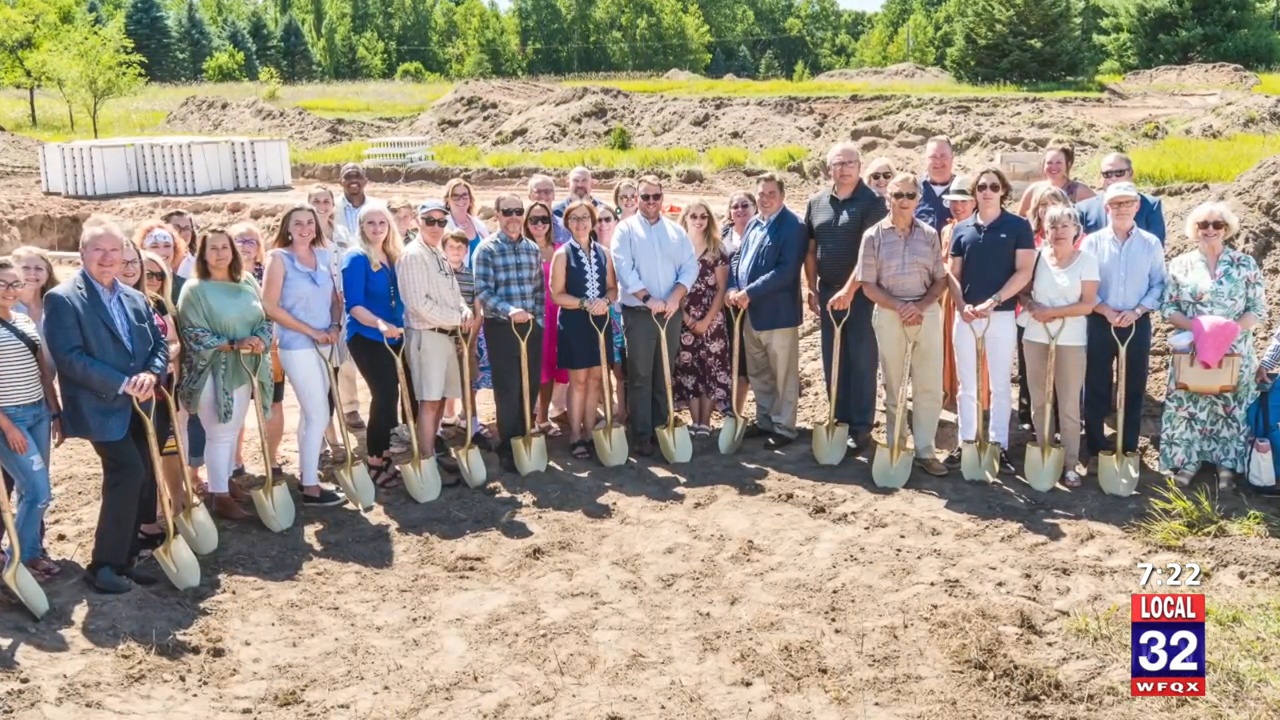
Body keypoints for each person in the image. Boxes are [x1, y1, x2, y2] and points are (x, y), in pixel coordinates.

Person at [45, 217, 170, 593]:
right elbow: (70, 357)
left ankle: (125, 559)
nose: (107, 257)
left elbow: (158, 345)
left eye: (114, 250)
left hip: (140, 405)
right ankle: (102, 566)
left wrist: (151, 373)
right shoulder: (63, 298)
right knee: (127, 473)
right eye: (98, 249)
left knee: (142, 476)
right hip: (100, 406)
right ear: (82, 253)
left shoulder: (134, 296)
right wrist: (122, 383)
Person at [1159, 202, 1265, 489]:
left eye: (1216, 225)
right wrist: (1201, 329)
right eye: (1203, 224)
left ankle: (1227, 465)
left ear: (1226, 229)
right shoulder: (1180, 264)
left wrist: (1227, 330)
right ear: (1194, 229)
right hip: (1193, 347)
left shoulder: (1245, 264)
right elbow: (1167, 307)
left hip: (1234, 349)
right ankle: (1187, 461)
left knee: (1230, 405)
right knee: (1190, 403)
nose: (1209, 230)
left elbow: (1257, 308)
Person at [851, 173, 949, 476]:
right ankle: (897, 443)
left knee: (929, 385)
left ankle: (925, 450)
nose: (904, 201)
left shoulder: (930, 234)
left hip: (927, 312)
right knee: (893, 385)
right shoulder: (873, 237)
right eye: (898, 195)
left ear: (918, 200)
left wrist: (919, 306)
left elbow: (941, 279)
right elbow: (867, 284)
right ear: (888, 199)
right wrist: (900, 306)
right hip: (890, 312)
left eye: (910, 195)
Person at [944, 167, 1036, 474]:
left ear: (1002, 191)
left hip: (1001, 316)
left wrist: (994, 300)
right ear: (974, 192)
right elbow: (952, 274)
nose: (986, 191)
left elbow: (1024, 271)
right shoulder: (962, 229)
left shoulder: (1018, 226)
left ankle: (999, 445)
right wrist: (962, 306)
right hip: (967, 318)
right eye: (981, 186)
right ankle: (966, 441)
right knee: (966, 385)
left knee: (999, 384)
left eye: (993, 186)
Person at [177, 228, 273, 520]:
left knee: (232, 429)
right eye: (213, 249)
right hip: (212, 370)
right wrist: (232, 344)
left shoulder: (245, 281)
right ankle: (219, 497)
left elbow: (264, 317)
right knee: (219, 432)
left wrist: (260, 340)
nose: (220, 253)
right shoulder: (195, 289)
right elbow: (193, 333)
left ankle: (226, 481)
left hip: (244, 367)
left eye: (224, 247)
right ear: (203, 255)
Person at [261, 205, 348, 508]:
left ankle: (306, 475)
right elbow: (271, 307)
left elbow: (336, 299)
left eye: (310, 223)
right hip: (296, 345)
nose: (305, 228)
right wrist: (311, 331)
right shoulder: (278, 259)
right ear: (287, 227)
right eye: (298, 223)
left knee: (310, 414)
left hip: (325, 342)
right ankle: (310, 487)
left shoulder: (324, 257)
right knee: (319, 413)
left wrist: (335, 324)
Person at [1079, 182, 1166, 476]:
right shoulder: (1092, 243)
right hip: (1100, 321)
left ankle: (1127, 448)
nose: (1121, 208)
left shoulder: (1150, 244)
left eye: (1127, 203)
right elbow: (1086, 282)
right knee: (1096, 385)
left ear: (1137, 206)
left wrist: (1137, 310)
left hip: (1136, 323)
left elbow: (1158, 284)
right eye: (1116, 204)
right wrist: (1104, 309)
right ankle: (1094, 449)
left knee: (1133, 386)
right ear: (1107, 207)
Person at [808, 142, 888, 453]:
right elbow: (811, 249)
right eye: (838, 164)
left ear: (859, 165)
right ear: (829, 168)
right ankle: (837, 419)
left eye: (850, 163)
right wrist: (811, 287)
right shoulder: (816, 203)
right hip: (828, 292)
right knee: (833, 359)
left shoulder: (872, 203)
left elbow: (870, 255)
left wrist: (849, 290)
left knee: (862, 360)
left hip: (862, 294)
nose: (844, 168)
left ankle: (861, 427)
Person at [610, 175, 698, 458]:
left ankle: (663, 427)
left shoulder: (675, 232)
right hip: (640, 313)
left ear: (662, 197)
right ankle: (641, 434)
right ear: (636, 198)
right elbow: (624, 269)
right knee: (640, 374)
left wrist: (674, 297)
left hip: (670, 312)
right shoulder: (625, 230)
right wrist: (648, 299)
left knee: (664, 373)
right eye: (644, 197)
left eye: (655, 197)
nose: (650, 202)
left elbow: (689, 266)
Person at [1017, 206, 1099, 488]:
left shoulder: (1086, 261)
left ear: (1076, 230)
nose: (1059, 232)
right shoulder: (1038, 257)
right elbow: (1022, 290)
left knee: (1068, 403)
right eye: (1053, 227)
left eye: (1065, 226)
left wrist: (1052, 313)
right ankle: (1044, 451)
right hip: (1035, 336)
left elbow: (1088, 304)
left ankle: (1070, 463)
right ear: (1046, 231)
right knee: (1040, 400)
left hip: (1070, 339)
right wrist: (1031, 306)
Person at [729, 173, 807, 448]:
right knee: (759, 371)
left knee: (783, 373)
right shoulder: (754, 224)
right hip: (750, 313)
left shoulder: (793, 225)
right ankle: (765, 420)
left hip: (778, 314)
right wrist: (732, 288)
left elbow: (786, 272)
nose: (765, 199)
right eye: (761, 194)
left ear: (782, 196)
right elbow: (738, 259)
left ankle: (784, 427)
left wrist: (749, 292)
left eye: (771, 194)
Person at [0, 258, 62, 582]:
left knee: (32, 491)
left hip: (38, 412)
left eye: (15, 284)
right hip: (9, 421)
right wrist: (9, 428)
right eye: (3, 284)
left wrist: (55, 413)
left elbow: (42, 374)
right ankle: (19, 559)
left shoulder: (24, 322)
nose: (10, 290)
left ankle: (30, 552)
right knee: (39, 492)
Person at [343, 203, 413, 488]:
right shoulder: (356, 257)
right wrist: (380, 324)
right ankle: (374, 460)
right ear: (361, 227)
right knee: (383, 395)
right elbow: (354, 305)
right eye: (370, 223)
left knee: (394, 396)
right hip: (368, 336)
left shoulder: (394, 255)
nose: (376, 228)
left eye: (382, 223)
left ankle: (385, 453)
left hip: (396, 334)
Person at [473, 195, 545, 473]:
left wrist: (537, 318)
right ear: (498, 215)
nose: (514, 217)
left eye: (518, 211)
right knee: (508, 387)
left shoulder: (530, 248)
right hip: (502, 327)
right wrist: (510, 311)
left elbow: (539, 288)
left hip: (531, 326)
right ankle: (508, 446)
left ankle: (526, 436)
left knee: (530, 384)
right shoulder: (486, 249)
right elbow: (484, 292)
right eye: (508, 212)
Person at [550, 201, 618, 458]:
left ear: (592, 222)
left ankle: (590, 432)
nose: (580, 223)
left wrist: (606, 301)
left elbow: (613, 288)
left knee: (596, 380)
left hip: (600, 321)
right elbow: (556, 295)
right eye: (574, 218)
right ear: (567, 224)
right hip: (574, 323)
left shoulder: (604, 253)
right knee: (577, 382)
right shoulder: (562, 254)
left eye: (585, 218)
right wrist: (583, 303)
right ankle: (576, 435)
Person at [229, 222, 286, 478]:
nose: (245, 246)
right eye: (239, 240)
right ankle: (235, 461)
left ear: (259, 246)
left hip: (270, 349)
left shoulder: (270, 272)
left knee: (273, 404)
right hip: (233, 351)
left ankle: (271, 459)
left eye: (250, 241)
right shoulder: (221, 277)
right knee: (237, 408)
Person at [673, 201, 730, 437]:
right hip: (682, 318)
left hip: (711, 320)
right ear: (685, 217)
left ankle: (705, 422)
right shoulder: (677, 248)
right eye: (694, 215)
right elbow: (671, 285)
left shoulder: (717, 249)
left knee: (711, 368)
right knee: (688, 369)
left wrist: (707, 320)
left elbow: (721, 288)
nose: (698, 220)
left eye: (703, 217)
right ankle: (694, 420)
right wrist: (685, 317)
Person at [442, 230, 492, 451]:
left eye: (460, 247)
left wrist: (471, 338)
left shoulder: (471, 277)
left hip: (467, 339)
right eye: (451, 247)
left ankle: (472, 426)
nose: (456, 251)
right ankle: (437, 430)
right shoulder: (438, 275)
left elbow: (478, 311)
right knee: (441, 385)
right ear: (443, 249)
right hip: (442, 337)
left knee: (468, 384)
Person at [525, 201, 568, 436]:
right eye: (534, 220)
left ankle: (543, 417)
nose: (539, 224)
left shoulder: (561, 248)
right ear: (527, 223)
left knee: (552, 367)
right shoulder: (521, 249)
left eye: (544, 219)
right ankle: (529, 419)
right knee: (535, 367)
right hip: (534, 315)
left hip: (558, 314)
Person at [939, 176, 975, 409]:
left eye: (963, 201)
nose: (958, 206)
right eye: (954, 201)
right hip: (947, 298)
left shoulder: (978, 228)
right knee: (947, 346)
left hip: (972, 298)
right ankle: (948, 394)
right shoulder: (946, 230)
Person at [1075, 153, 1167, 243]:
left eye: (1119, 173)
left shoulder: (1150, 205)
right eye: (1107, 174)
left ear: (1130, 173)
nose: (1113, 178)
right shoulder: (1084, 209)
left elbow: (1156, 246)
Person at [722, 191, 757, 417]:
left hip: (752, 305)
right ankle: (727, 408)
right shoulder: (723, 235)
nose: (740, 210)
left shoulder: (760, 232)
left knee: (744, 360)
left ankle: (737, 410)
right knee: (728, 357)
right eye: (735, 206)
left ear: (754, 208)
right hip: (726, 306)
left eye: (745, 205)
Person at [594, 206, 628, 425]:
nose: (603, 224)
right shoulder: (589, 250)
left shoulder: (623, 248)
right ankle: (607, 412)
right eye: (598, 220)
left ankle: (623, 414)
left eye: (607, 219)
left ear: (616, 221)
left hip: (621, 315)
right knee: (599, 370)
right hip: (597, 315)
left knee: (621, 371)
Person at [1016, 144, 1096, 216]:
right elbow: (1020, 219)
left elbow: (1099, 212)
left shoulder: (1080, 191)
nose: (1053, 167)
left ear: (1067, 165)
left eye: (1058, 162)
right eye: (1049, 163)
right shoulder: (1033, 190)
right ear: (1043, 165)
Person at [916, 136, 957, 234]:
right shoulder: (913, 190)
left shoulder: (963, 190)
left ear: (952, 157)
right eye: (933, 157)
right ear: (925, 158)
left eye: (943, 156)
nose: (938, 161)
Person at [528, 174, 572, 244]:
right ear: (530, 196)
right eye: (537, 192)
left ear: (554, 195)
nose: (542, 196)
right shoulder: (521, 227)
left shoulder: (566, 228)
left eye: (547, 191)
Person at [161, 209, 199, 279]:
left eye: (187, 228)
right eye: (176, 227)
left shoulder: (199, 264)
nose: (182, 232)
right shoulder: (155, 261)